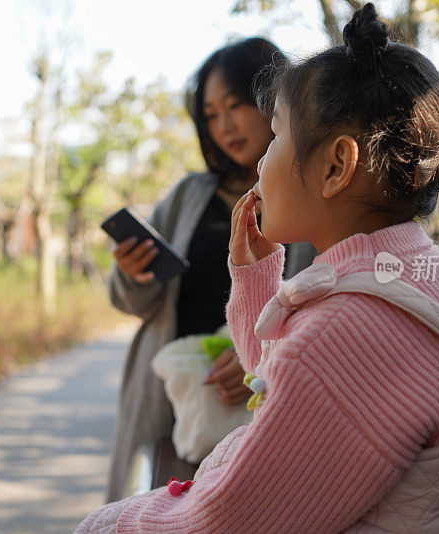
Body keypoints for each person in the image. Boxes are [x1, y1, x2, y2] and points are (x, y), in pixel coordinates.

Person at [78, 4, 439, 532]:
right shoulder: (409, 268)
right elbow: (290, 379)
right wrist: (257, 281)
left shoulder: (353, 329)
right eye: (210, 114)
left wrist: (107, 524)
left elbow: (231, 519)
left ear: (336, 166)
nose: (260, 159)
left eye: (275, 133)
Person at [104, 37, 316, 501]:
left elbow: (327, 306)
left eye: (236, 105)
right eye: (211, 113)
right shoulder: (188, 196)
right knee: (151, 510)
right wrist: (134, 272)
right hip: (173, 400)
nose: (224, 125)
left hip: (262, 413)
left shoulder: (313, 196)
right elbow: (132, 302)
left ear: (277, 102)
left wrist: (260, 361)